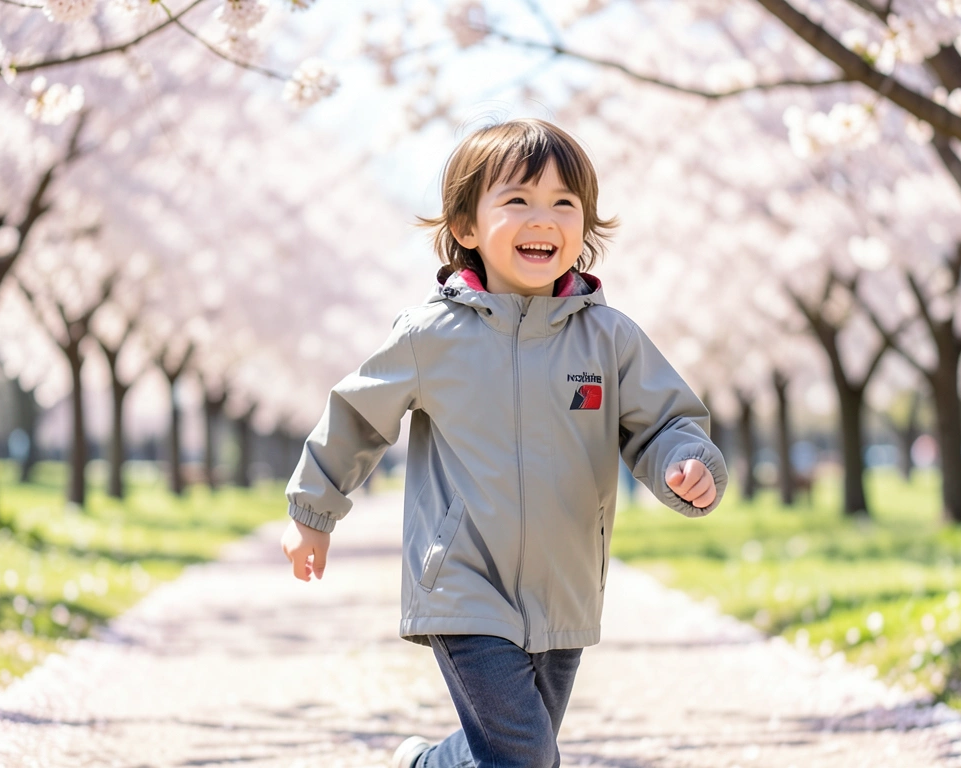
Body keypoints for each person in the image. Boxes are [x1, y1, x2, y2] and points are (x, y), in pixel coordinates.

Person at [279, 118, 728, 768]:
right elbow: (358, 415)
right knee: (523, 757)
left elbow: (662, 421)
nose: (541, 218)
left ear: (585, 227)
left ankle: (423, 764)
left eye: (563, 204)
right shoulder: (432, 335)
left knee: (519, 752)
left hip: (564, 586)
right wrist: (312, 511)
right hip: (462, 582)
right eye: (517, 200)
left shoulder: (608, 339)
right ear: (466, 228)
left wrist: (687, 463)